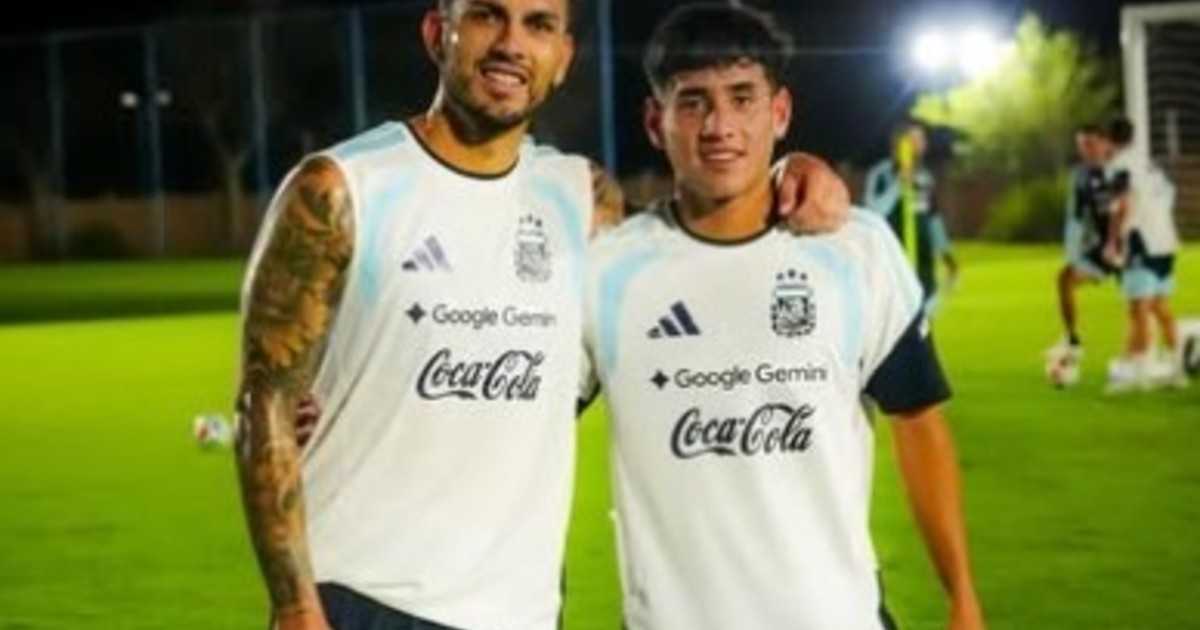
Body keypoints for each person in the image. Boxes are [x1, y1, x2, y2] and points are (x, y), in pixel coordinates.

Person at [233, 0, 851, 628]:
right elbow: (265, 402)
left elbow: (699, 240)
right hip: (360, 595)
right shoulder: (340, 188)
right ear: (438, 33)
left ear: (562, 57)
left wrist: (791, 169)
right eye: (486, 16)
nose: (511, 43)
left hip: (519, 610)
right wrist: (295, 605)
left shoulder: (583, 199)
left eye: (538, 24)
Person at [581, 4, 985, 629]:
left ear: (780, 113)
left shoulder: (857, 250)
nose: (719, 125)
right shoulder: (603, 271)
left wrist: (962, 597)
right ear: (655, 123)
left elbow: (919, 422)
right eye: (693, 102)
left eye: (742, 98)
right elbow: (520, 427)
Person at [1100, 116, 1187, 391]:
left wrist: (1112, 241)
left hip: (1143, 242)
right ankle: (1176, 369)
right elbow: (1169, 195)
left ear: (1108, 140)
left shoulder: (1119, 166)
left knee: (1139, 308)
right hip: (1165, 240)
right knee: (1159, 306)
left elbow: (1123, 205)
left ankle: (1136, 373)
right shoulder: (1149, 164)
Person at [1045, 124, 1120, 385]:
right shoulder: (1081, 176)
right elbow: (1075, 217)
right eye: (1081, 146)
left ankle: (1180, 348)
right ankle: (1072, 340)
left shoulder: (1122, 169)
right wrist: (1073, 254)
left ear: (1104, 143)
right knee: (1065, 278)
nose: (1086, 150)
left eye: (1090, 144)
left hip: (1132, 245)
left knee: (1149, 304)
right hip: (1103, 249)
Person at [864, 120, 960, 315]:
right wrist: (898, 184)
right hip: (893, 264)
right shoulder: (881, 175)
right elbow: (873, 212)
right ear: (901, 143)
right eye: (917, 138)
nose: (923, 143)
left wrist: (948, 259)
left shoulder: (924, 177)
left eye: (922, 139)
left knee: (926, 323)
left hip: (924, 267)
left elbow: (932, 220)